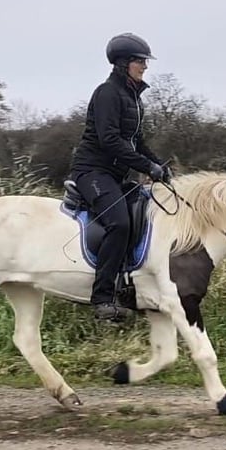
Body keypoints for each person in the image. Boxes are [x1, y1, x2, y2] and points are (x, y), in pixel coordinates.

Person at [68, 32, 171, 322]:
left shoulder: (133, 99)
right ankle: (102, 298)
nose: (145, 67)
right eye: (140, 62)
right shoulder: (107, 93)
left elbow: (137, 141)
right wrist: (145, 167)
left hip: (116, 174)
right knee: (120, 222)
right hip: (93, 171)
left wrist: (158, 165)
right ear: (124, 63)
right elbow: (110, 140)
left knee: (144, 214)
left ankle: (128, 287)